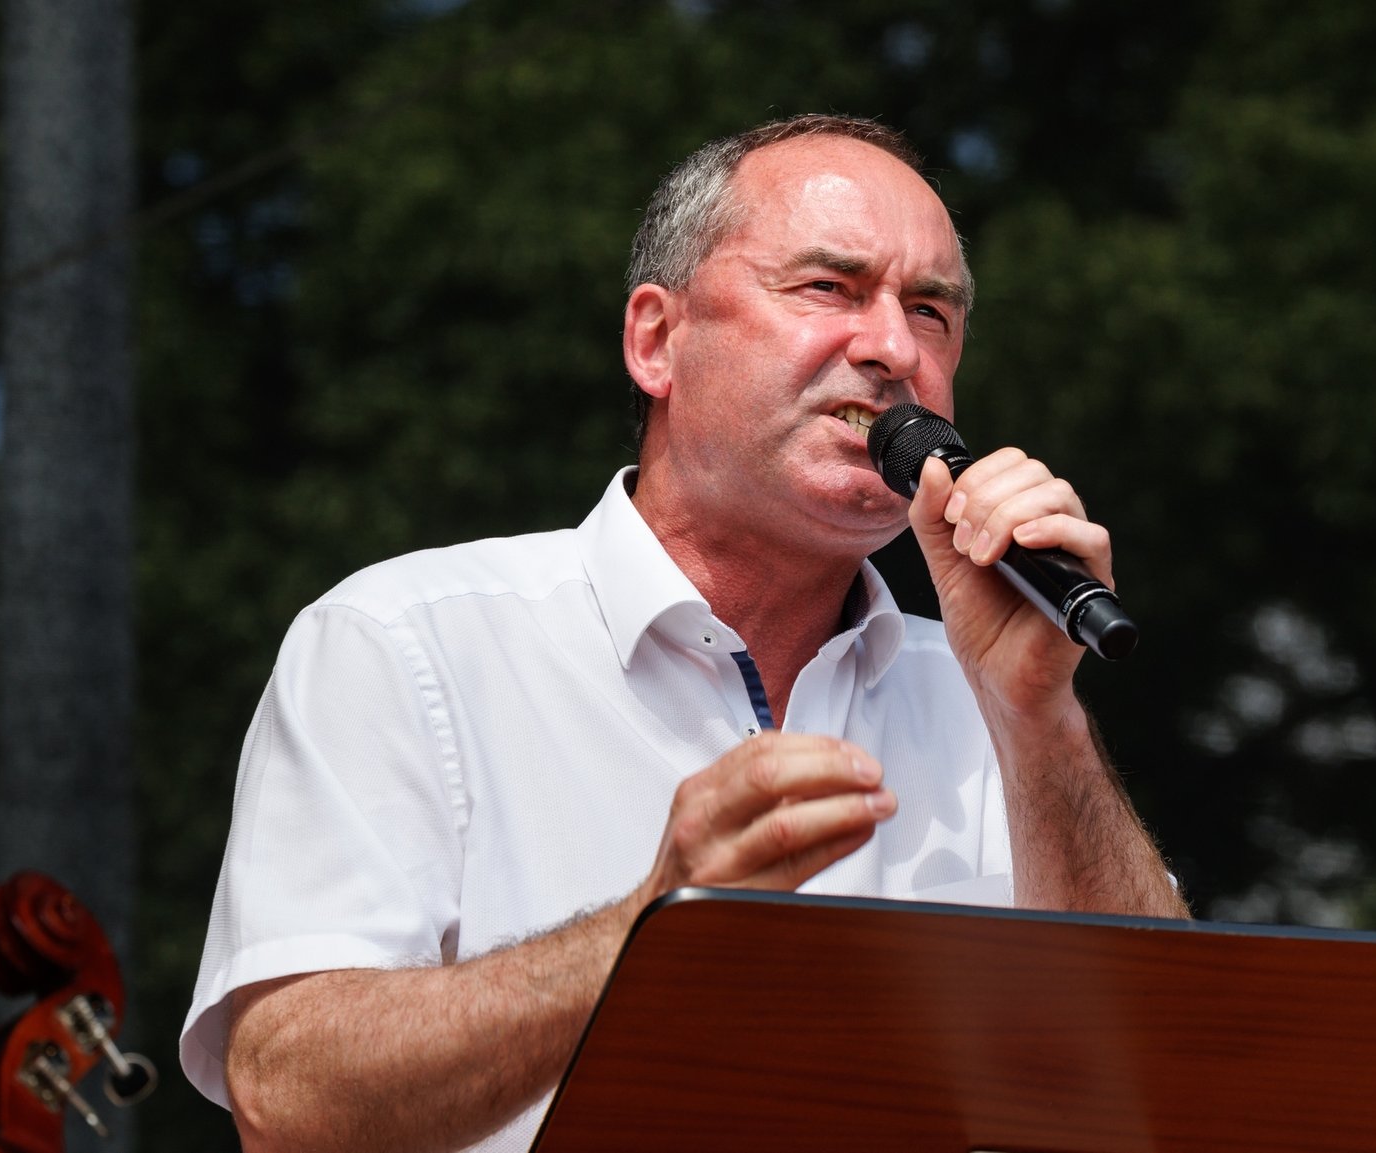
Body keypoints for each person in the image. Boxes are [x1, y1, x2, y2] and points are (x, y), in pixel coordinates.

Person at [180, 114, 1187, 1153]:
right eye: (827, 288)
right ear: (657, 340)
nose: (892, 348)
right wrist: (655, 928)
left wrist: (1039, 717)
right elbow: (287, 1099)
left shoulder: (992, 701)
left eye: (929, 311)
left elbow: (1174, 1087)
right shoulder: (405, 641)